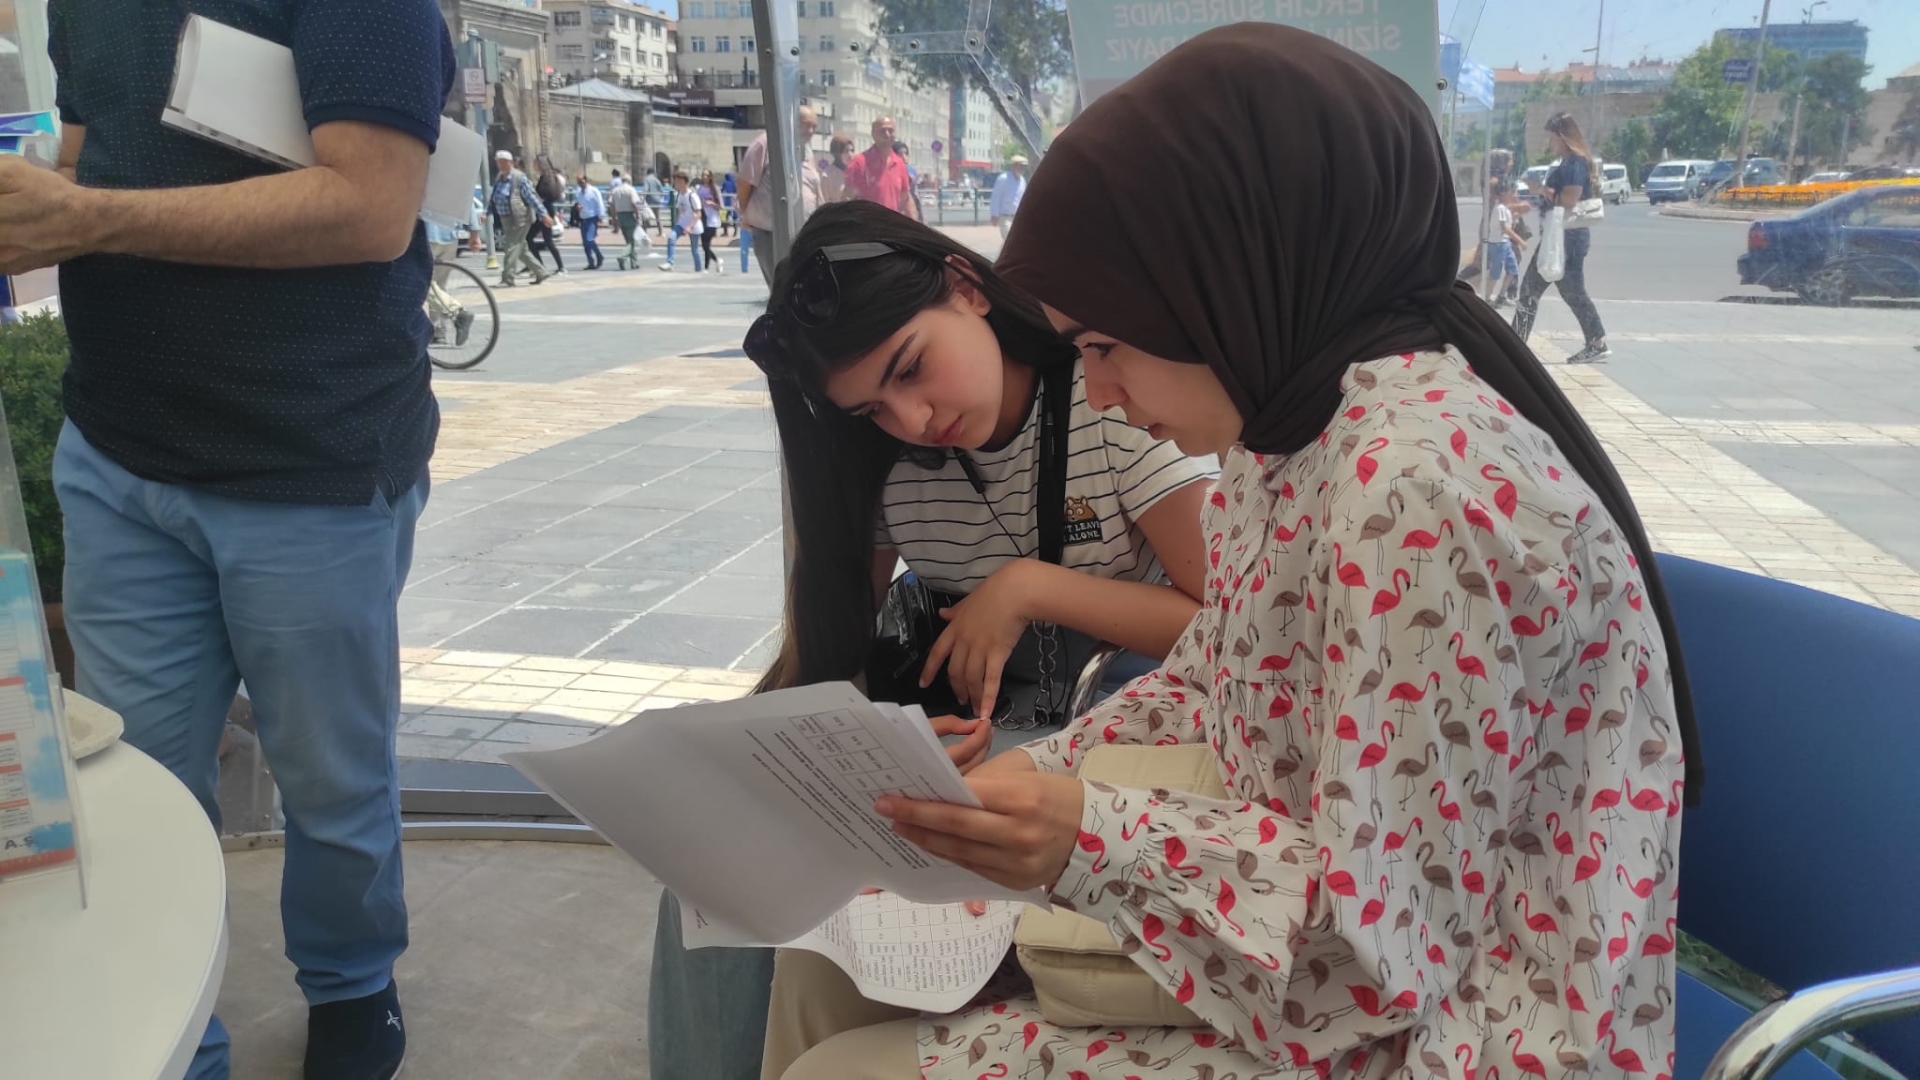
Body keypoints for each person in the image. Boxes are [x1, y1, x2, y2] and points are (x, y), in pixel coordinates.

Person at [759, 25, 1700, 1080]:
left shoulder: (1423, 495)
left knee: (833, 1071)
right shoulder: (1286, 436)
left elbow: (1379, 960)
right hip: (1296, 941)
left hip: (1453, 1032)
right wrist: (1029, 780)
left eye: (1105, 345)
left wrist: (1087, 837)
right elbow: (1213, 678)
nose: (1100, 390)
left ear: (1230, 278)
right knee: (827, 967)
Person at [647, 197, 1216, 1080]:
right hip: (969, 729)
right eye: (872, 408)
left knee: (836, 913)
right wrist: (869, 742)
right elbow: (838, 642)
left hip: (1123, 723)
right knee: (710, 861)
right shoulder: (881, 460)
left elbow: (1226, 621)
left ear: (965, 287)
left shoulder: (1108, 394)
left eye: (912, 368)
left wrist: (1027, 587)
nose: (913, 419)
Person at [0, 2, 459, 1077]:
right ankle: (178, 1026)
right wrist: (37, 199)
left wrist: (87, 218)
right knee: (141, 784)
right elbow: (91, 142)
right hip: (118, 447)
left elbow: (369, 207)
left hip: (311, 457)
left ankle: (352, 982)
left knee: (330, 778)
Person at [1514, 112, 1610, 363]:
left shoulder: (1575, 163)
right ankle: (1596, 341)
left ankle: (1514, 346)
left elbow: (1568, 200)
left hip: (1565, 239)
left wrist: (1540, 190)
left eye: (1551, 137)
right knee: (1572, 293)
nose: (1549, 142)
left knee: (1530, 290)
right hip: (1563, 238)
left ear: (1563, 136)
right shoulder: (1569, 163)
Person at [738, 105, 821, 284]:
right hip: (771, 233)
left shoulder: (806, 150)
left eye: (814, 126)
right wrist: (745, 213)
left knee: (801, 286)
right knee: (781, 286)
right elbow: (745, 182)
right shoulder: (766, 143)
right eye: (807, 124)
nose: (811, 131)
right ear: (792, 122)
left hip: (802, 233)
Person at [492, 150, 553, 287]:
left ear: (510, 163)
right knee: (521, 250)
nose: (499, 165)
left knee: (511, 247)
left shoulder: (519, 178)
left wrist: (543, 214)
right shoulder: (499, 178)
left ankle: (508, 278)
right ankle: (541, 272)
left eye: (502, 162)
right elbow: (494, 197)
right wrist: (487, 212)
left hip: (519, 218)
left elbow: (532, 198)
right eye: (498, 162)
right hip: (505, 218)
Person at [843, 116, 917, 220]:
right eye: (882, 131)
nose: (887, 134)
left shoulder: (899, 165)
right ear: (873, 134)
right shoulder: (859, 163)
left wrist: (915, 225)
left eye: (891, 131)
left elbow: (906, 199)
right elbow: (847, 200)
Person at [1482, 177, 1525, 306]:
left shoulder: (1505, 209)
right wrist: (1520, 241)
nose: (1514, 195)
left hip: (1505, 243)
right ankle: (1486, 298)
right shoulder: (1500, 208)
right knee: (1495, 273)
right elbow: (1504, 228)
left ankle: (1501, 296)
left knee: (1512, 269)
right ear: (1503, 193)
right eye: (1512, 192)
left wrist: (1516, 217)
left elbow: (1509, 225)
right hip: (1498, 244)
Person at [529, 152, 567, 275]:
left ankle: (560, 267)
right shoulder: (545, 177)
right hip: (543, 210)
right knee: (531, 238)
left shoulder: (547, 178)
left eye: (535, 162)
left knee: (547, 240)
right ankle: (540, 266)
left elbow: (546, 194)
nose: (534, 165)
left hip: (545, 211)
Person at [660, 169, 704, 273]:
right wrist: (678, 224)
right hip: (681, 224)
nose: (675, 183)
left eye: (676, 180)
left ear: (683, 181)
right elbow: (680, 211)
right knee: (671, 238)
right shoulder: (678, 195)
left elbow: (698, 214)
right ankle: (670, 263)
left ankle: (699, 270)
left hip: (694, 225)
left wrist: (690, 227)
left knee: (695, 250)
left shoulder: (692, 196)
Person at [607, 169, 644, 270]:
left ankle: (634, 262)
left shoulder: (615, 191)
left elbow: (612, 206)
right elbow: (634, 203)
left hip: (620, 215)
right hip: (629, 215)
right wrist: (638, 216)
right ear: (629, 181)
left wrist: (614, 219)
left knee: (628, 240)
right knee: (631, 241)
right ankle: (623, 257)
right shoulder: (631, 190)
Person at [990, 154, 1027, 240]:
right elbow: (996, 197)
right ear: (1014, 166)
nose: (1022, 168)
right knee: (1010, 239)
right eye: (1020, 165)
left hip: (1017, 218)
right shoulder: (1003, 178)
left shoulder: (1022, 181)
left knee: (1016, 241)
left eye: (1024, 166)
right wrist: (994, 214)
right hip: (1005, 217)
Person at [575, 174, 605, 270]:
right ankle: (590, 262)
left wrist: (601, 217)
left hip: (592, 218)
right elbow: (578, 203)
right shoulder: (578, 192)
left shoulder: (594, 191)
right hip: (583, 218)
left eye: (582, 182)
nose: (580, 184)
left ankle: (599, 255)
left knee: (589, 239)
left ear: (586, 180)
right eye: (578, 182)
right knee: (585, 243)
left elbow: (600, 203)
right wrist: (578, 208)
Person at [698, 170, 723, 274]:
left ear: (710, 177)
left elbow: (721, 206)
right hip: (703, 219)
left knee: (706, 244)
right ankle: (716, 261)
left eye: (707, 175)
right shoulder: (699, 189)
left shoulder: (715, 189)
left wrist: (712, 203)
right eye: (703, 175)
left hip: (712, 220)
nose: (705, 177)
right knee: (704, 245)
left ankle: (706, 267)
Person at [819, 133, 854, 204]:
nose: (850, 155)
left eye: (852, 150)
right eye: (846, 151)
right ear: (837, 153)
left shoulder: (855, 173)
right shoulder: (827, 176)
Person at [643, 166, 669, 236]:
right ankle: (661, 232)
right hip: (657, 201)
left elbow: (645, 190)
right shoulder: (656, 180)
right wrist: (659, 198)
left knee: (646, 216)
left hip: (649, 201)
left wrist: (643, 199)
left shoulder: (647, 179)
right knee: (658, 217)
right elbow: (661, 191)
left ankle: (644, 232)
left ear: (647, 173)